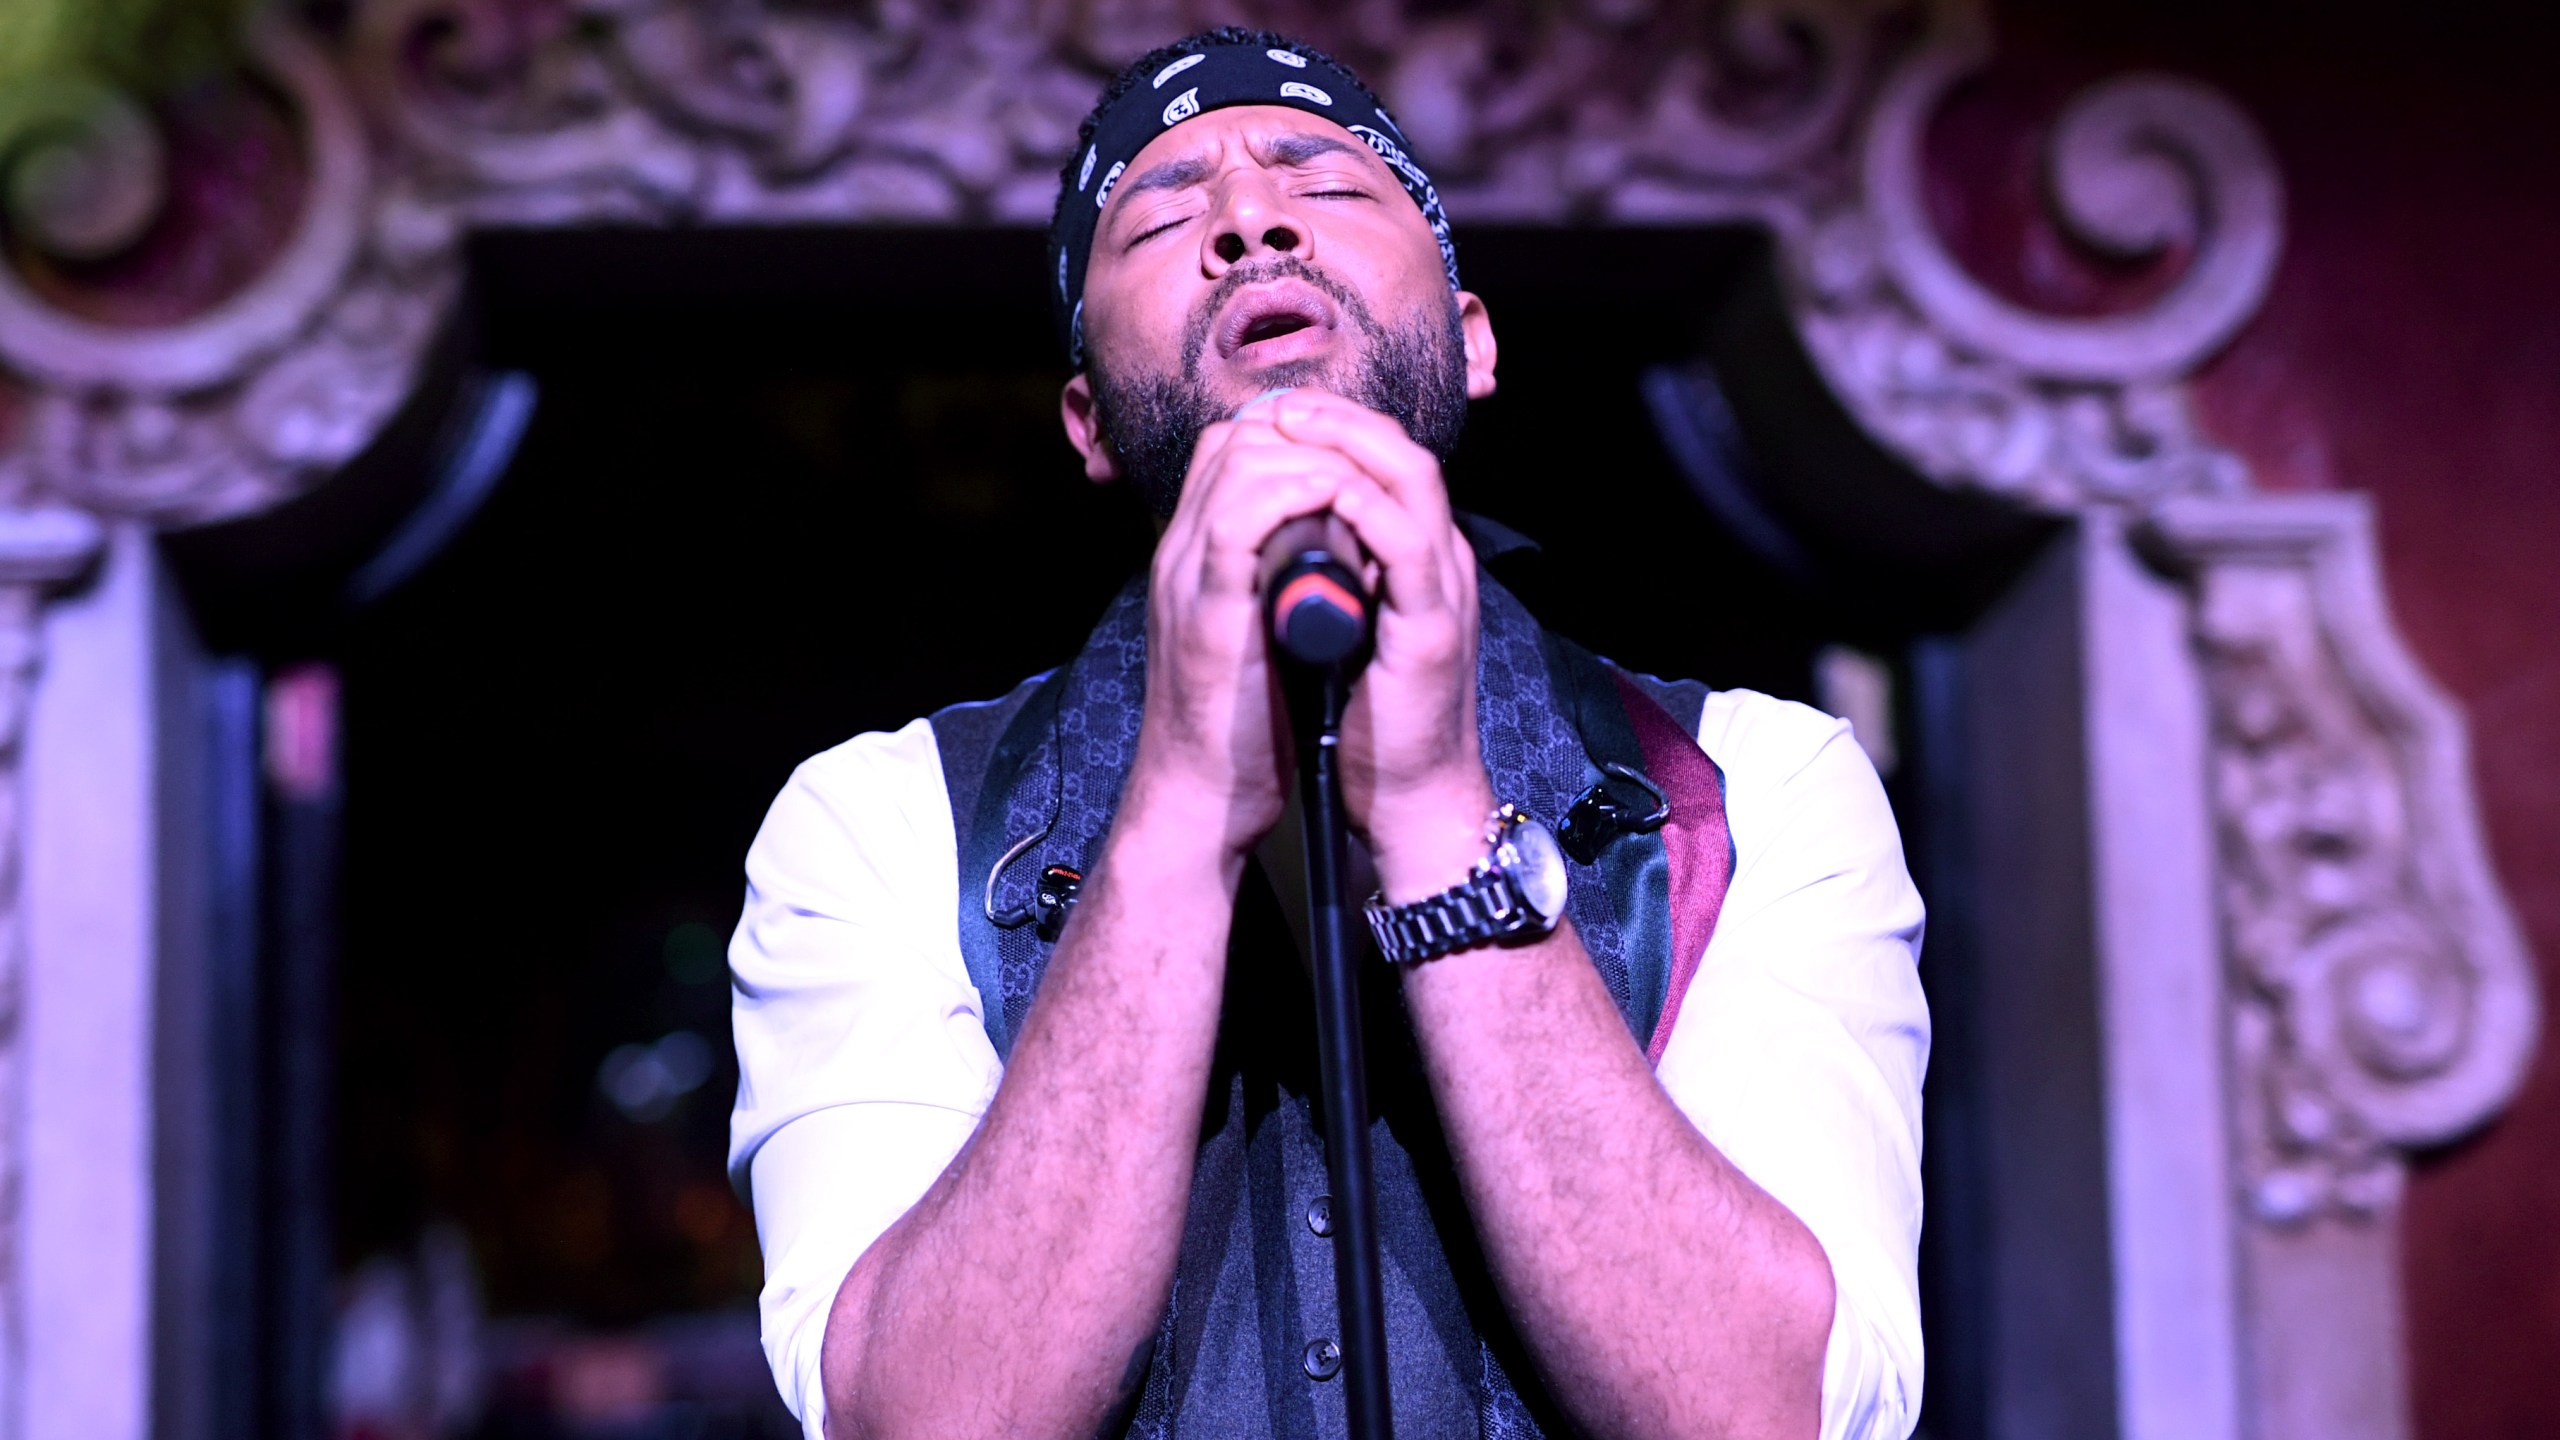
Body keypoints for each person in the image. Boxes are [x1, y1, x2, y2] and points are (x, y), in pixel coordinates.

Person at [728, 27, 1927, 1440]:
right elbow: (928, 1423)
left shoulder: (1756, 789)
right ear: (1088, 422)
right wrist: (1175, 809)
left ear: (1473, 343)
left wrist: (1432, 816)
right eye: (1163, 214)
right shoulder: (879, 824)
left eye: (1330, 185)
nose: (1248, 219)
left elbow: (1758, 1412)